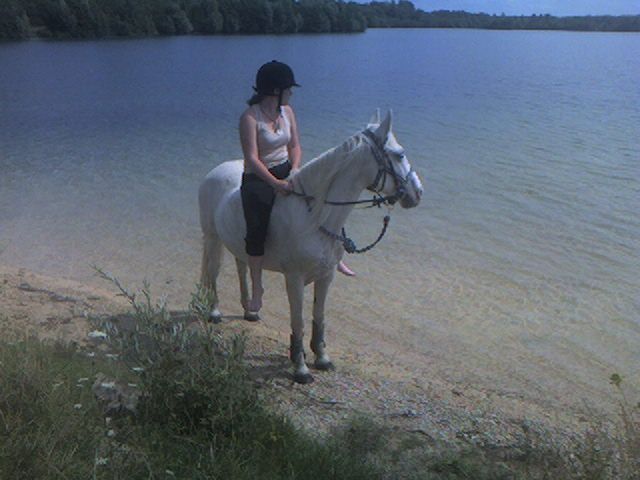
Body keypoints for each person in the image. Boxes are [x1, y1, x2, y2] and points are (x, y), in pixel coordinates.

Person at [239, 61, 354, 316]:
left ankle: (336, 255)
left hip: (287, 169)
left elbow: (295, 146)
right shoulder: (250, 118)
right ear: (275, 90)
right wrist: (275, 183)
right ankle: (257, 287)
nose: (291, 93)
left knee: (324, 199)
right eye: (288, 89)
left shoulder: (287, 112)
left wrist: (295, 170)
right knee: (256, 230)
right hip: (258, 178)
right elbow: (252, 159)